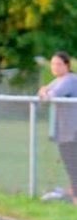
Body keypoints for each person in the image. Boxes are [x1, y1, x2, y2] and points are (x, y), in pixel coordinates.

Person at [38, 51, 77, 204]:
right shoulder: (58, 80)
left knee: (73, 165)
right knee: (71, 165)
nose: (55, 67)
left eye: (59, 64)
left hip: (73, 132)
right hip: (65, 132)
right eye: (53, 64)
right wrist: (43, 91)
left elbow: (49, 96)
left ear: (67, 65)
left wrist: (44, 92)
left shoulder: (70, 80)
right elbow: (42, 94)